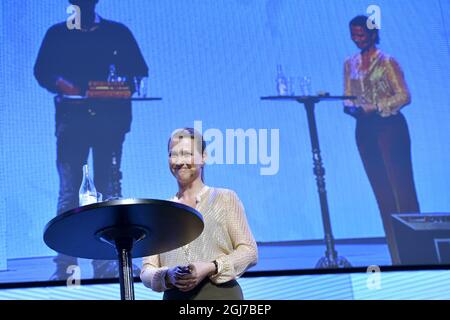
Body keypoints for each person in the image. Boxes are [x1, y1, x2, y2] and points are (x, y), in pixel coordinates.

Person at [34, 0, 149, 279]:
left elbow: (139, 72)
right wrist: (67, 86)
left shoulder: (117, 33)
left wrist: (118, 85)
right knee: (69, 190)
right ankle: (65, 266)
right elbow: (42, 72)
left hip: (111, 124)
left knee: (108, 189)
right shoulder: (58, 34)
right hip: (71, 124)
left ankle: (110, 262)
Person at [140, 128, 258, 300]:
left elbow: (249, 251)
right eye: (173, 154)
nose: (180, 161)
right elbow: (146, 271)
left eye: (187, 154)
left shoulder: (224, 198)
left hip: (220, 295)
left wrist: (211, 267)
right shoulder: (159, 213)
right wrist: (168, 275)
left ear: (203, 157)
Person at [343, 15, 420, 265]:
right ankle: (396, 254)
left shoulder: (387, 62)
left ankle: (415, 253)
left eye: (361, 35)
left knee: (402, 189)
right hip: (364, 130)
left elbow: (404, 96)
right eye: (353, 35)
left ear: (373, 34)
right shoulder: (350, 63)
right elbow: (348, 94)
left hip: (390, 127)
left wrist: (376, 106)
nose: (357, 40)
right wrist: (350, 105)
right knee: (382, 192)